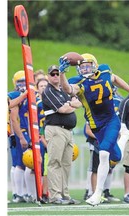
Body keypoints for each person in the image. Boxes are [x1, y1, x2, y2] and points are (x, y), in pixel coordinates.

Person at [59, 53, 129, 206]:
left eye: (87, 65)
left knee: (103, 153)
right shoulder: (80, 82)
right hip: (96, 126)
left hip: (111, 121)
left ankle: (97, 193)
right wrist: (62, 73)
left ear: (94, 65)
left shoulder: (104, 71)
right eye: (81, 67)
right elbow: (68, 89)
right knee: (115, 157)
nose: (84, 69)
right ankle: (125, 137)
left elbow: (115, 79)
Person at [41, 65, 82, 205]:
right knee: (55, 162)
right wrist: (71, 104)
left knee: (66, 164)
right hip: (56, 129)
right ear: (48, 76)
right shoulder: (48, 91)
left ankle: (65, 195)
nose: (55, 76)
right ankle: (55, 195)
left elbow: (79, 102)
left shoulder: (64, 90)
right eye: (52, 74)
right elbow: (63, 109)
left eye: (57, 73)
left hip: (68, 131)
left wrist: (70, 104)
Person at [8, 70, 32, 203]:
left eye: (24, 81)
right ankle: (18, 193)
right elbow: (14, 118)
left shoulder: (30, 96)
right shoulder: (14, 95)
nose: (23, 84)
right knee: (19, 163)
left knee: (25, 163)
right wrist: (21, 136)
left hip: (27, 131)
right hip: (19, 132)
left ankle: (24, 192)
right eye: (20, 81)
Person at [35, 78, 50, 204]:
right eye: (41, 86)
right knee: (41, 167)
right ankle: (40, 193)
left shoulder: (50, 101)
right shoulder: (38, 104)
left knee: (48, 168)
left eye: (46, 85)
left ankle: (46, 192)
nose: (44, 88)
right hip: (41, 137)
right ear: (37, 88)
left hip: (50, 135)